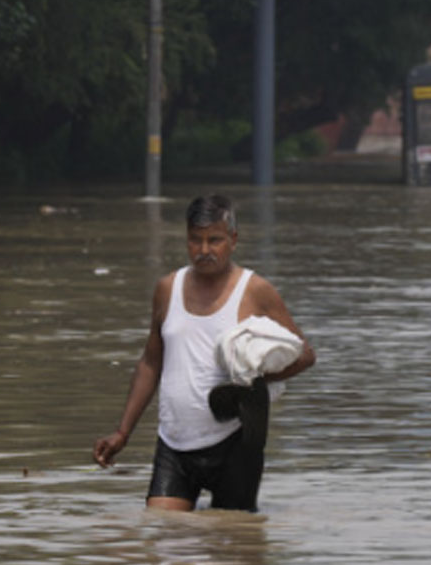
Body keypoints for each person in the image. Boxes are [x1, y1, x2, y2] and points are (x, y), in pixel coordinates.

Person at [93, 194, 316, 511]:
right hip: (174, 441)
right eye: (195, 240)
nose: (204, 250)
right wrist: (122, 432)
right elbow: (150, 363)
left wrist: (251, 381)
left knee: (233, 545)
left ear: (233, 240)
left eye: (214, 240)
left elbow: (305, 355)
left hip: (236, 441)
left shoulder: (255, 290)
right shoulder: (167, 289)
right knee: (163, 535)